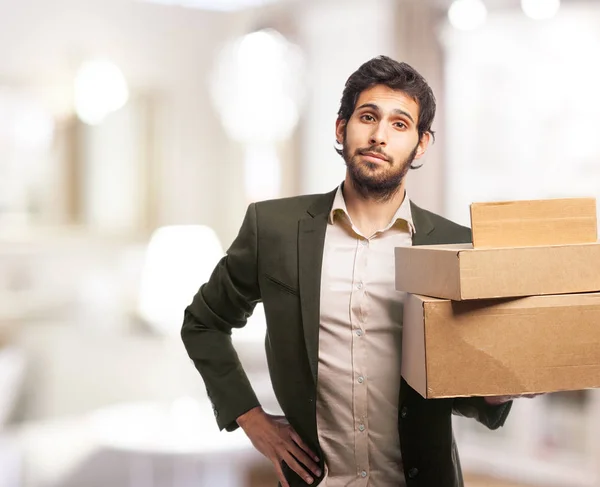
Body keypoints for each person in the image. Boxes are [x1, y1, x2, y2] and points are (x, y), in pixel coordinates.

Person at [181, 56, 513, 487]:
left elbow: (465, 386)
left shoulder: (454, 245)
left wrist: (505, 383)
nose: (378, 136)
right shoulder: (274, 230)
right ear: (341, 128)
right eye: (368, 117)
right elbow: (203, 322)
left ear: (422, 144)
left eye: (399, 124)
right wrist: (251, 419)